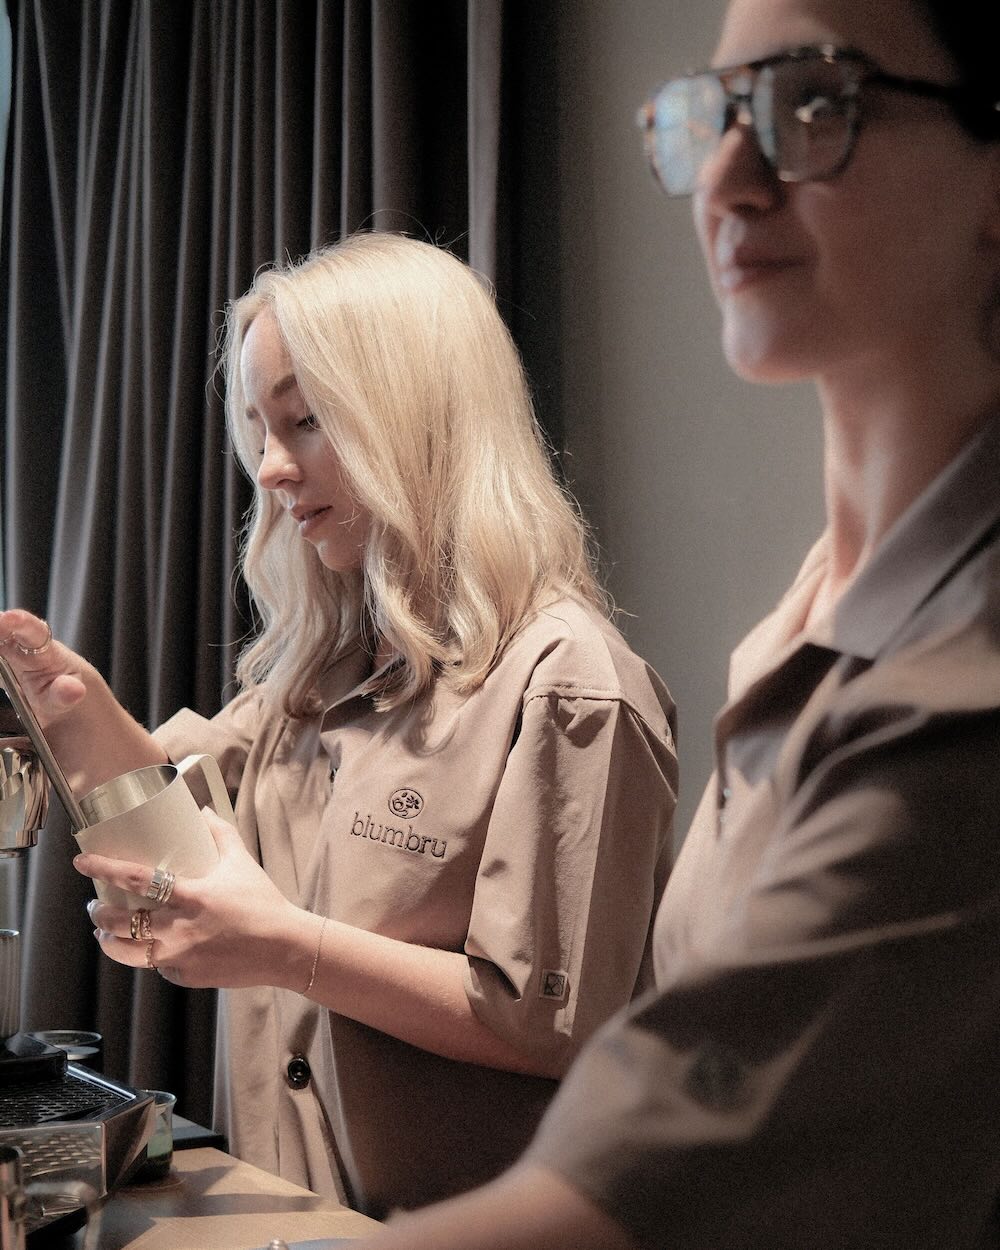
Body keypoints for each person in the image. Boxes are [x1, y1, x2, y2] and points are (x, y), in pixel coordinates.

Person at [308, 0, 1000, 1246]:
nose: (727, 182)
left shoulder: (956, 699)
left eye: (812, 104)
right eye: (710, 116)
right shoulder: (807, 613)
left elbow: (631, 1196)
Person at [0, 233, 677, 1217]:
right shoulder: (321, 675)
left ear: (415, 420)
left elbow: (550, 1019)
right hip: (294, 1213)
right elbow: (182, 832)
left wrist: (280, 945)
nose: (271, 469)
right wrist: (66, 702)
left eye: (305, 422)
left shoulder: (565, 687)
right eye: (259, 430)